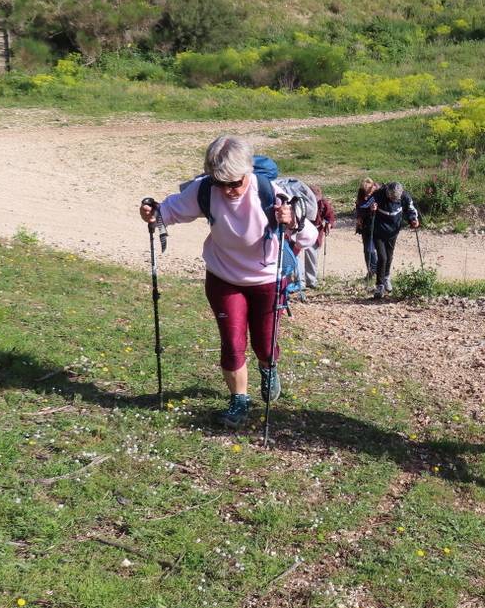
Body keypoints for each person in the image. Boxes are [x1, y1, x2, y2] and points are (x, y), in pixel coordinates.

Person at [139, 136, 318, 428]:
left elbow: (309, 238)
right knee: (233, 343)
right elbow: (169, 212)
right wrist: (152, 213)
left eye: (235, 183)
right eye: (221, 183)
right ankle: (239, 401)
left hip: (266, 279)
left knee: (265, 344)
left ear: (248, 172)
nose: (228, 190)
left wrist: (293, 221)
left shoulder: (270, 192)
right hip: (224, 277)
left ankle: (268, 366)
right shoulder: (206, 189)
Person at [358, 181, 420, 300]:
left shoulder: (405, 196)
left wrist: (413, 220)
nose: (392, 199)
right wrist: (371, 208)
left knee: (389, 256)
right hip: (378, 230)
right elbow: (363, 206)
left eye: (394, 198)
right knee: (382, 257)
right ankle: (379, 286)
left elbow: (411, 209)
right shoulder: (378, 194)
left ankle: (386, 277)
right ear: (387, 192)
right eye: (390, 197)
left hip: (393, 231)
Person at [299, 185, 335, 289]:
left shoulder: (324, 203)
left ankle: (311, 281)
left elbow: (330, 216)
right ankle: (299, 281)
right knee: (296, 254)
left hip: (316, 230)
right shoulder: (302, 202)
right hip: (301, 229)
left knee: (312, 254)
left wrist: (329, 223)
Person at [354, 177, 379, 280]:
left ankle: (378, 271)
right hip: (366, 226)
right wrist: (361, 215)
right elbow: (359, 208)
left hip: (378, 225)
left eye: (369, 191)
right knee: (367, 250)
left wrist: (375, 209)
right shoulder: (361, 195)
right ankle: (371, 271)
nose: (367, 194)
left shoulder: (378, 193)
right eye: (365, 192)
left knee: (375, 250)